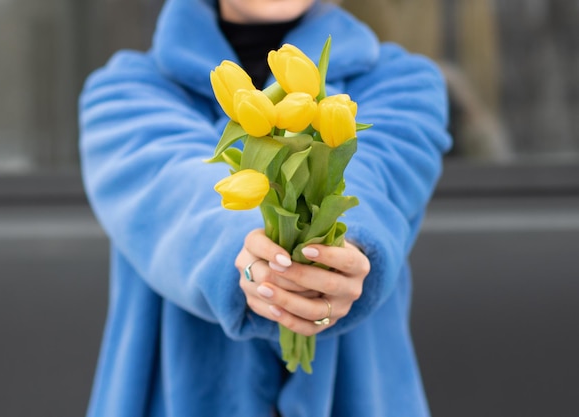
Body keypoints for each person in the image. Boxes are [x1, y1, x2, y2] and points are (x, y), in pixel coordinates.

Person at [78, 0, 451, 416]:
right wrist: (260, 260)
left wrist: (338, 253)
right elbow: (174, 190)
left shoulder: (403, 83)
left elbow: (373, 177)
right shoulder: (125, 91)